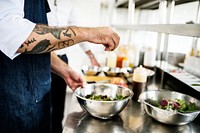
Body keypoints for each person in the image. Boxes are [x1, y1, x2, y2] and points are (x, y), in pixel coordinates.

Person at [0, 0, 120, 133]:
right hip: (13, 102)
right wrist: (88, 33)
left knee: (55, 114)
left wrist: (64, 70)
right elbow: (12, 35)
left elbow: (33, 45)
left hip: (37, 96)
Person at [47, 1, 101, 132]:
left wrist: (91, 56)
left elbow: (75, 30)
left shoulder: (69, 2)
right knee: (43, 104)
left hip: (62, 57)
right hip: (40, 58)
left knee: (59, 104)